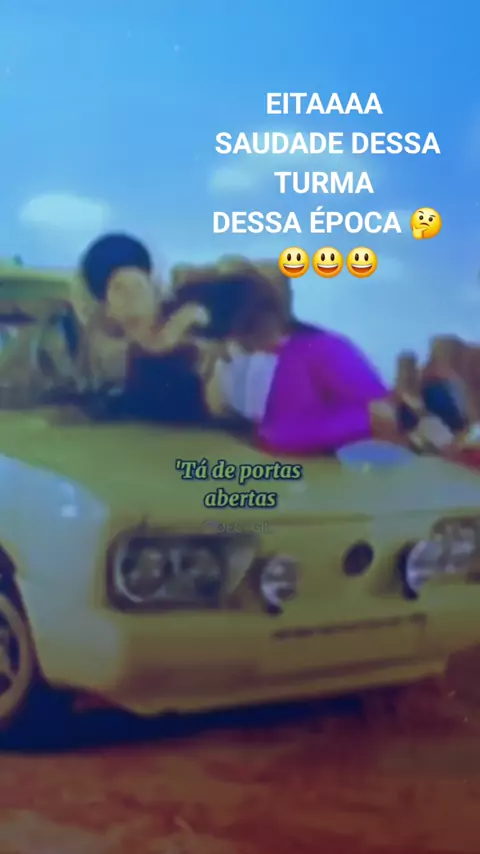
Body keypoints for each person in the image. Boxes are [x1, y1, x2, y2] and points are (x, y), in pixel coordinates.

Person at [78, 233, 212, 423]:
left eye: (139, 286)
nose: (132, 297)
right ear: (105, 305)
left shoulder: (181, 320)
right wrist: (179, 324)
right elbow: (150, 354)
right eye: (120, 288)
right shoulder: (107, 348)